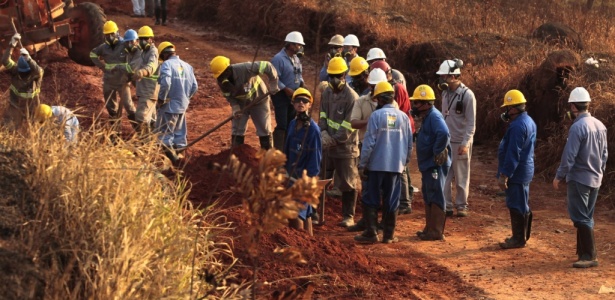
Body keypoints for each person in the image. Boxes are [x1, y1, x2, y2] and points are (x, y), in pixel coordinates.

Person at [553, 87, 607, 268]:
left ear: (574, 106)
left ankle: (590, 256)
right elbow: (605, 155)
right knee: (587, 216)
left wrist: (559, 176)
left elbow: (569, 156)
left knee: (580, 216)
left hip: (579, 179)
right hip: (595, 178)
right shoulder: (600, 125)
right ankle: (583, 252)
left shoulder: (577, 127)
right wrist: (600, 172)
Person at [354, 81, 412, 244]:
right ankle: (389, 235)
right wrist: (403, 163)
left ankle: (371, 232)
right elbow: (409, 144)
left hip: (376, 165)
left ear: (379, 99)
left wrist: (362, 164)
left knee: (371, 197)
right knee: (392, 199)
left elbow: (369, 142)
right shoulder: (403, 117)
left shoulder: (376, 116)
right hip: (395, 166)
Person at [347, 68, 398, 232]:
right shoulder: (362, 101)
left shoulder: (393, 105)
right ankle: (369, 222)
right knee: (368, 186)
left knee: (385, 188)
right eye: (373, 86)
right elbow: (353, 123)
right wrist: (370, 122)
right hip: (367, 147)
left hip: (385, 149)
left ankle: (379, 225)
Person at [319, 57, 360, 227]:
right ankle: (317, 214)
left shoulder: (352, 97)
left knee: (348, 183)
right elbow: (322, 115)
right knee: (321, 181)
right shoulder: (326, 93)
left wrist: (334, 140)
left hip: (345, 149)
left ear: (344, 75)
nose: (334, 79)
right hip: (327, 147)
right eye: (331, 75)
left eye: (337, 75)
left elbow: (348, 126)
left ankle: (348, 216)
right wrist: (322, 132)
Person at [370, 60, 415, 215]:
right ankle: (404, 197)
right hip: (397, 126)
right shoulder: (389, 88)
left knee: (400, 168)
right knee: (400, 167)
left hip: (401, 127)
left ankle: (404, 202)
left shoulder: (397, 89)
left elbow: (397, 112)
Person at [209, 56, 280, 149]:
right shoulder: (221, 81)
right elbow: (228, 96)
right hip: (241, 104)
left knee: (264, 129)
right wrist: (235, 107)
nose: (220, 78)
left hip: (259, 100)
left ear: (228, 70)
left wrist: (273, 82)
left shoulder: (246, 68)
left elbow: (267, 66)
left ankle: (267, 155)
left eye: (221, 75)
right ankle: (237, 154)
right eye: (218, 76)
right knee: (237, 129)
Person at [497, 89, 536, 249]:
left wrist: (505, 174)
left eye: (507, 108)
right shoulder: (528, 121)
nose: (506, 112)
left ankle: (518, 239)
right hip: (525, 169)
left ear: (513, 108)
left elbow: (513, 152)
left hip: (517, 172)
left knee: (516, 203)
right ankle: (521, 236)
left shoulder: (517, 126)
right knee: (522, 202)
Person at [437, 59, 476, 217]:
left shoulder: (468, 95)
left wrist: (465, 143)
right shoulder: (445, 93)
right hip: (447, 140)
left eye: (444, 76)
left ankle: (461, 205)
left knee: (461, 175)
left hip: (460, 141)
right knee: (445, 175)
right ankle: (447, 205)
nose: (441, 79)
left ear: (452, 76)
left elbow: (471, 123)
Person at [412, 84, 451, 241]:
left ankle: (436, 231)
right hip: (428, 164)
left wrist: (437, 151)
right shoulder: (428, 117)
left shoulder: (434, 117)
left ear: (427, 103)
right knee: (428, 193)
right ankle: (429, 228)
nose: (415, 106)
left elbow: (444, 133)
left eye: (418, 102)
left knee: (435, 193)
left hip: (435, 164)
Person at [284, 88, 322, 235]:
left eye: (305, 101)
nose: (301, 103)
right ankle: (310, 242)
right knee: (305, 214)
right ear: (293, 103)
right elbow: (286, 150)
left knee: (296, 214)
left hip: (304, 179)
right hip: (291, 176)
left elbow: (315, 157)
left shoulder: (313, 130)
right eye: (298, 100)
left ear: (309, 105)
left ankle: (301, 245)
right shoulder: (292, 124)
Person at [90, 21, 136, 136]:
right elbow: (92, 54)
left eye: (112, 34)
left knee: (129, 107)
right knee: (112, 109)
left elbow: (135, 57)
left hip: (122, 82)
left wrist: (130, 74)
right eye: (107, 35)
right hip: (109, 82)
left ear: (117, 33)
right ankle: (115, 134)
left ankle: (141, 132)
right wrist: (102, 66)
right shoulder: (104, 47)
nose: (110, 37)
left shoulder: (124, 45)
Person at [156, 42, 198, 163]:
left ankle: (175, 163)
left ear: (164, 54)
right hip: (182, 106)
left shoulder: (166, 65)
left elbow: (166, 83)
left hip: (169, 107)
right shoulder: (187, 66)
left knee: (164, 138)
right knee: (180, 138)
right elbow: (195, 86)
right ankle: (183, 165)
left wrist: (161, 99)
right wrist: (185, 98)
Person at [2, 33, 44, 130]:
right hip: (19, 107)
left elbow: (5, 60)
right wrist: (12, 44)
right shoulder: (33, 74)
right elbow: (5, 61)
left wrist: (12, 44)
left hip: (27, 108)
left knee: (36, 128)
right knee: (11, 129)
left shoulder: (19, 70)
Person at [270, 31, 305, 149]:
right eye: (298, 45)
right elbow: (274, 79)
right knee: (282, 124)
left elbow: (299, 74)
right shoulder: (278, 59)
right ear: (291, 45)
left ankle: (288, 148)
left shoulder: (296, 58)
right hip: (281, 95)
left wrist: (301, 84)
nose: (300, 48)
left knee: (291, 122)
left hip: (293, 95)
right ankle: (279, 150)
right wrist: (285, 89)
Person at [132, 26, 160, 135]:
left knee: (141, 117)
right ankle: (156, 141)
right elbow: (135, 63)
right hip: (144, 89)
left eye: (146, 38)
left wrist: (142, 72)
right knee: (152, 119)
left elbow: (151, 66)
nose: (143, 41)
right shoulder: (142, 52)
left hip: (149, 91)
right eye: (141, 39)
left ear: (151, 39)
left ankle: (146, 142)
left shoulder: (153, 51)